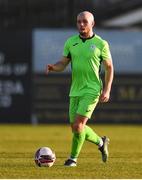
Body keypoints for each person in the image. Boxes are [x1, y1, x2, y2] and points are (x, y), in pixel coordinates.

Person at [46, 11, 114, 167]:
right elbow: (63, 63)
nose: (81, 24)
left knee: (78, 126)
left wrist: (107, 89)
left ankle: (72, 159)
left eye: (85, 21)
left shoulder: (101, 44)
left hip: (92, 89)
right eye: (78, 21)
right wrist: (54, 67)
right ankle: (101, 142)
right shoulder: (71, 42)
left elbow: (109, 68)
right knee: (76, 128)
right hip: (75, 90)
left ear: (92, 24)